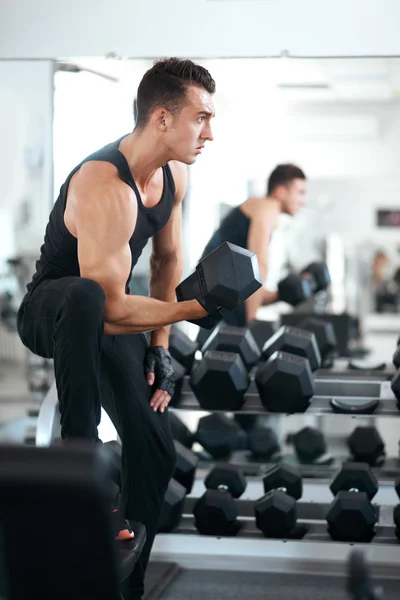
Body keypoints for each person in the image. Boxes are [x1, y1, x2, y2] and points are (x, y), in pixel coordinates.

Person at [16, 58, 216, 600]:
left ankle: (126, 584)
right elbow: (103, 304)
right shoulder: (104, 183)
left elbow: (166, 262)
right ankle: (77, 472)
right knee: (83, 295)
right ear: (161, 118)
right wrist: (190, 312)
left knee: (155, 450)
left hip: (110, 316)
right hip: (52, 312)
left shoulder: (174, 175)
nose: (209, 133)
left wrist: (160, 349)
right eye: (201, 118)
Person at [200, 164, 307, 327]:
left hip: (217, 296)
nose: (303, 201)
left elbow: (246, 284)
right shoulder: (268, 207)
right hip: (213, 299)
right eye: (300, 193)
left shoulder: (259, 208)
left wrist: (280, 295)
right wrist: (251, 323)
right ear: (280, 191)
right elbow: (257, 266)